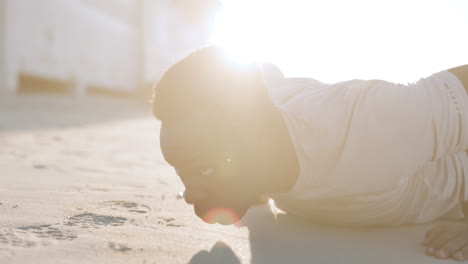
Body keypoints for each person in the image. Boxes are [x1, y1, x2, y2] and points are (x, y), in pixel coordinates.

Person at [152, 46, 468, 261]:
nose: (191, 194)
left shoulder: (366, 124)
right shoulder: (254, 137)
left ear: (254, 134)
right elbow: (262, 74)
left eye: (203, 168)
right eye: (180, 171)